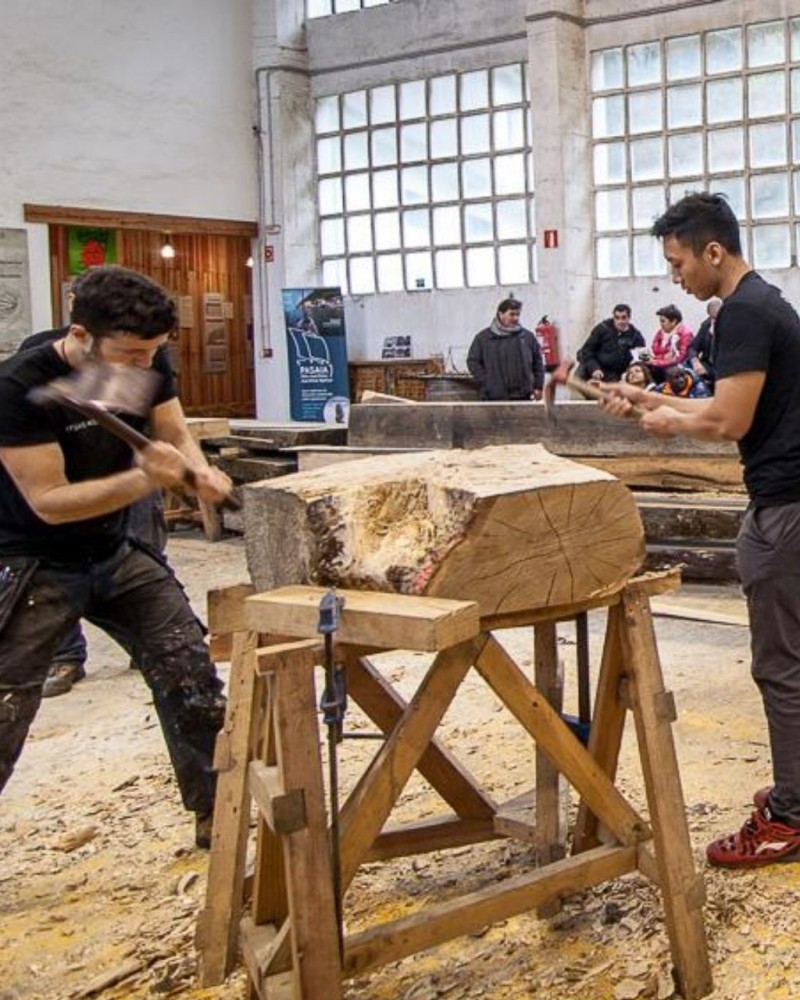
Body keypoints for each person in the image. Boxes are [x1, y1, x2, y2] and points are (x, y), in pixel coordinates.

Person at [0, 265, 234, 848]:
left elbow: (171, 426)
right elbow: (50, 502)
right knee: (6, 707)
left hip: (112, 548)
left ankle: (219, 817)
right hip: (34, 558)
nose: (143, 366)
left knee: (190, 672)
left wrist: (195, 465)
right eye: (130, 354)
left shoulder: (142, 359)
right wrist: (142, 482)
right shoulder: (19, 388)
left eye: (151, 353)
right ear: (81, 336)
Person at [601, 191, 800, 868]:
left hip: (783, 510)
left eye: (679, 261)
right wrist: (647, 398)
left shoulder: (743, 311)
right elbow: (723, 404)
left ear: (714, 251)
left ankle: (791, 816)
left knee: (781, 665)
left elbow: (728, 421)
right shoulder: (762, 304)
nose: (676, 276)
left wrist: (670, 424)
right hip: (787, 503)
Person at [17, 320, 171, 697]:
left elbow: (157, 414)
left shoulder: (138, 351)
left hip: (130, 473)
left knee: (144, 556)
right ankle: (67, 656)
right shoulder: (38, 351)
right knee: (59, 570)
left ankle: (151, 646)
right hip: (74, 481)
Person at [466, 297, 545, 401]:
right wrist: (487, 382)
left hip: (523, 396)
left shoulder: (527, 337)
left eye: (518, 314)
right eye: (512, 314)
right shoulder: (483, 339)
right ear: (500, 314)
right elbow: (473, 361)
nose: (516, 318)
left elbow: (538, 362)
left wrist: (538, 386)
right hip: (494, 397)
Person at [577, 304, 645, 382]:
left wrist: (628, 373)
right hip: (596, 368)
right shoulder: (602, 329)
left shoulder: (635, 336)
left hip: (618, 374)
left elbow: (640, 360)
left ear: (629, 318)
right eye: (617, 318)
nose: (620, 321)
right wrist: (594, 368)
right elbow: (587, 351)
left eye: (623, 318)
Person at [646, 304, 694, 383]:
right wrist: (658, 358)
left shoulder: (685, 334)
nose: (661, 324)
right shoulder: (661, 332)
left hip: (677, 368)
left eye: (663, 321)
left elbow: (679, 358)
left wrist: (656, 361)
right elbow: (654, 349)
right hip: (661, 365)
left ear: (674, 321)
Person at [687, 297, 722, 391]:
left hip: (723, 367)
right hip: (707, 364)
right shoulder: (706, 325)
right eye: (713, 318)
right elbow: (693, 347)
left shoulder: (731, 326)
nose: (716, 321)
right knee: (684, 368)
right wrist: (695, 362)